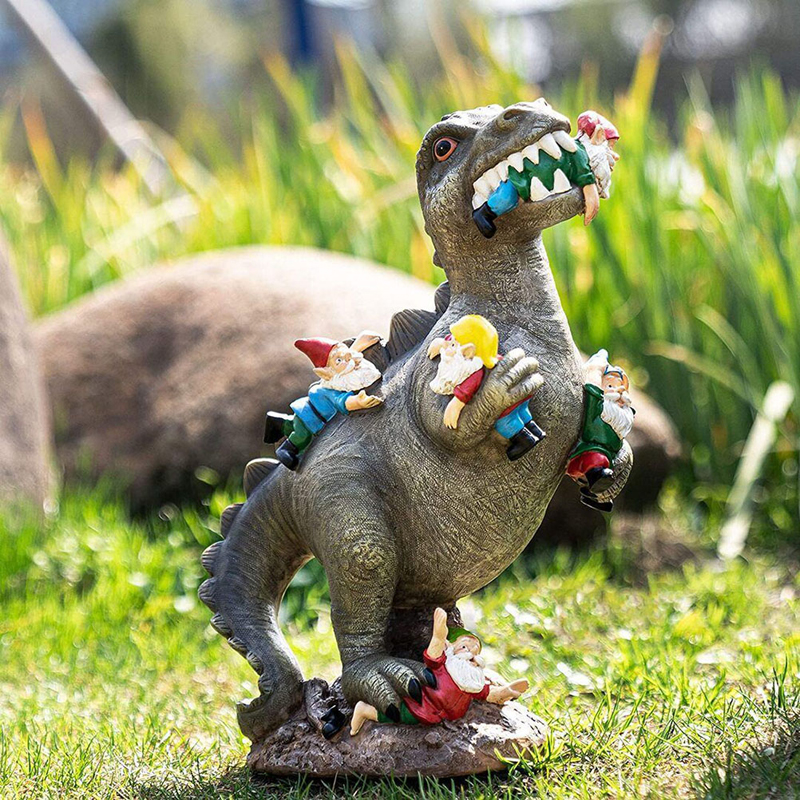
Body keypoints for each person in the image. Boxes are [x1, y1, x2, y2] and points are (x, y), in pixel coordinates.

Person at [350, 607, 529, 735]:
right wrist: (438, 635)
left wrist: (506, 691)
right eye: (465, 647)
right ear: (449, 647)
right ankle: (365, 711)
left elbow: (488, 693)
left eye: (475, 652)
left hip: (441, 716)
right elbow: (433, 654)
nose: (471, 654)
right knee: (400, 714)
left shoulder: (472, 680)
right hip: (423, 705)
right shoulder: (445, 664)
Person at [428, 315, 545, 461]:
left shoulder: (475, 371)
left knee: (506, 423)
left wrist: (455, 406)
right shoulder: (484, 356)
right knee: (522, 413)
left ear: (468, 352)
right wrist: (441, 344)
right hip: (521, 394)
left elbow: (465, 393)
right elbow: (451, 344)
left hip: (508, 402)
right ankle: (535, 430)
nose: (448, 346)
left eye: (452, 344)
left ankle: (525, 440)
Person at [264, 331, 383, 470]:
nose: (348, 358)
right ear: (325, 373)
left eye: (345, 353)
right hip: (309, 417)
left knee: (293, 424)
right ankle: (286, 449)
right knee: (302, 435)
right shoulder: (332, 388)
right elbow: (341, 402)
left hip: (312, 410)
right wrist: (358, 402)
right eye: (338, 360)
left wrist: (362, 342)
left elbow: (350, 355)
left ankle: (281, 423)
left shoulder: (345, 370)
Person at [566, 349, 634, 511]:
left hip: (601, 455)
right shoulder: (600, 408)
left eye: (621, 389)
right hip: (593, 452)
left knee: (598, 465)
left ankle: (599, 495)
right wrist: (596, 369)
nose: (618, 392)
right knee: (596, 461)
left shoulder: (621, 417)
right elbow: (592, 389)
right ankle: (596, 479)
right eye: (610, 386)